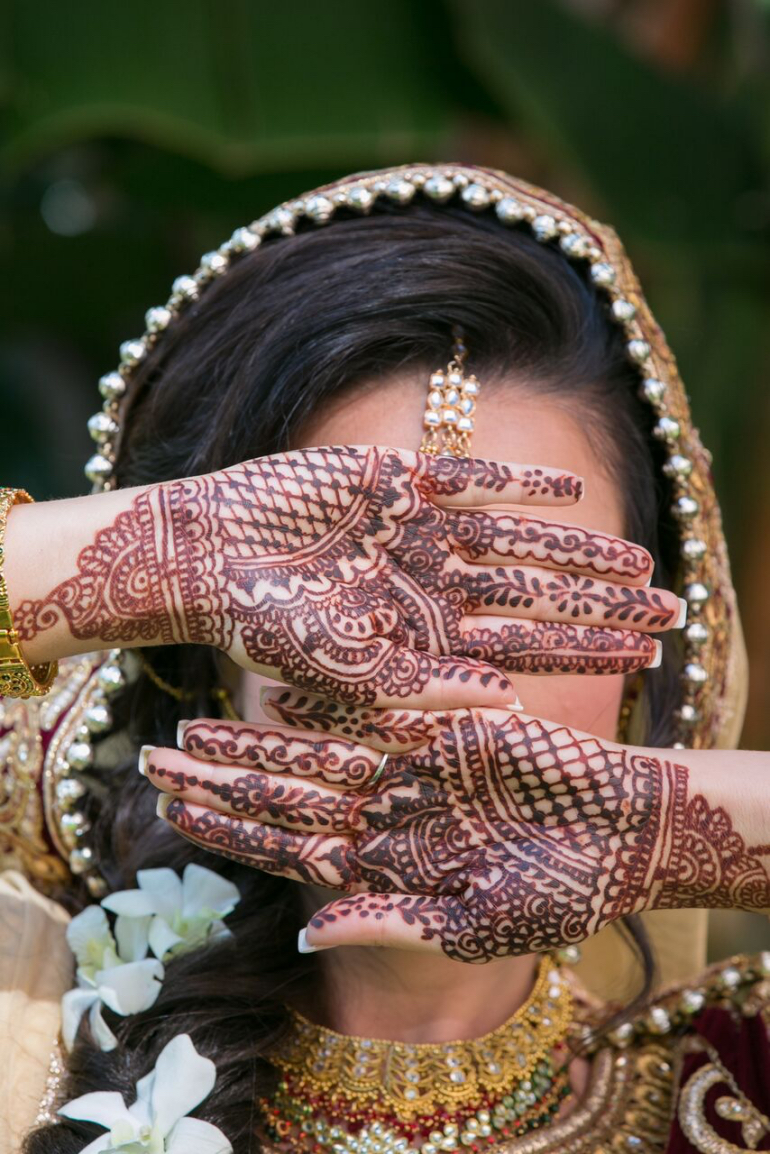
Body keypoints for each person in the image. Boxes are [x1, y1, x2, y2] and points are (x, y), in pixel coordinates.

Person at [0, 164, 767, 1154]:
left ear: (643, 672)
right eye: (350, 601)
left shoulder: (728, 1091)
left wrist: (685, 828)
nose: (427, 676)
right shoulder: (31, 1030)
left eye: (515, 599)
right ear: (209, 657)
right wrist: (166, 548)